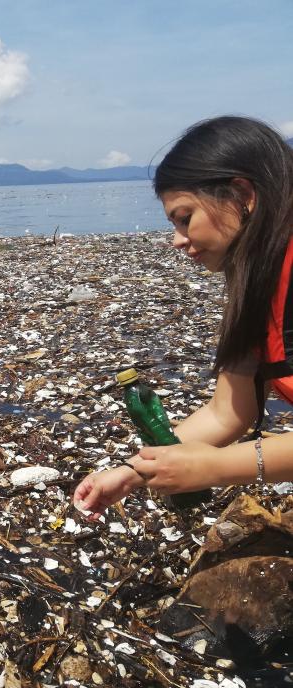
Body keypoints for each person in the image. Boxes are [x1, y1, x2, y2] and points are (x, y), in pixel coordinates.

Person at [73, 116, 293, 519]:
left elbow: (223, 445)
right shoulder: (256, 286)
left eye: (184, 217)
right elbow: (226, 412)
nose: (177, 240)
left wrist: (216, 467)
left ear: (242, 194)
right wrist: (131, 471)